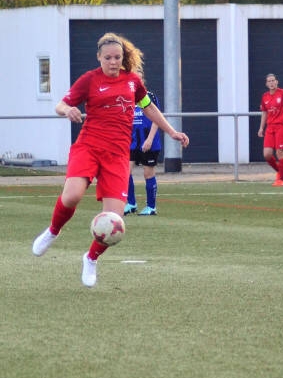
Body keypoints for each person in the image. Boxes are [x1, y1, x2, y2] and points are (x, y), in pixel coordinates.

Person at [31, 33, 190, 287]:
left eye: (117, 57)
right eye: (108, 58)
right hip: (89, 147)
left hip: (117, 155)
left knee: (114, 221)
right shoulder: (90, 80)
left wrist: (171, 131)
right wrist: (68, 110)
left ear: (123, 57)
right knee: (71, 195)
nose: (113, 62)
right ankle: (53, 231)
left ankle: (91, 259)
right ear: (99, 58)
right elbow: (60, 104)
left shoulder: (132, 82)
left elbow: (149, 107)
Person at [124, 68, 161, 216]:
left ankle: (151, 207)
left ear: (142, 81)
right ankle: (131, 203)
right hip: (132, 142)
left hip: (148, 141)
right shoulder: (126, 97)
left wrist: (150, 139)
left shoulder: (149, 96)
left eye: (138, 79)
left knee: (148, 173)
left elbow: (157, 119)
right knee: (125, 172)